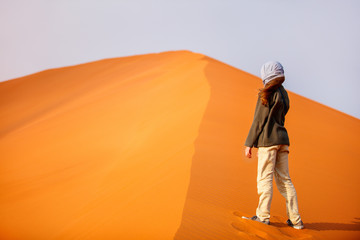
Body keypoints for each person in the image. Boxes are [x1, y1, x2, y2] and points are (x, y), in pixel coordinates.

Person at [243, 61, 304, 229]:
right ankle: (296, 220)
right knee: (285, 180)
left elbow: (259, 121)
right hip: (283, 142)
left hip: (268, 142)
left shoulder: (266, 94)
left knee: (264, 179)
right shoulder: (284, 94)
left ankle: (262, 216)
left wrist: (250, 143)